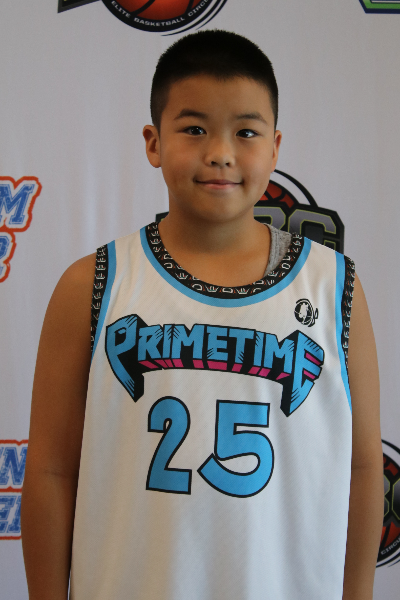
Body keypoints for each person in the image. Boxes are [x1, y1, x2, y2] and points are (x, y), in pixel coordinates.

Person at [21, 30, 382, 600]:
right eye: (194, 129)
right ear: (153, 142)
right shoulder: (92, 284)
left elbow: (362, 470)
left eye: (246, 132)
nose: (220, 152)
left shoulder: (334, 286)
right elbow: (50, 473)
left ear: (275, 147)